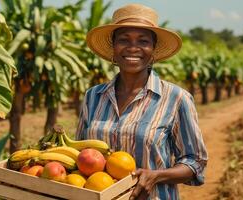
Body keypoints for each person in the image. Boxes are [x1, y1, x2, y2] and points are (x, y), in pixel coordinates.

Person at [75, 4, 208, 200]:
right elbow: (80, 153)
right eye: (124, 40)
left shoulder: (176, 98)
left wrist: (156, 176)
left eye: (143, 41)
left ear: (153, 49)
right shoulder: (93, 97)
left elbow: (195, 161)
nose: (133, 48)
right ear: (113, 47)